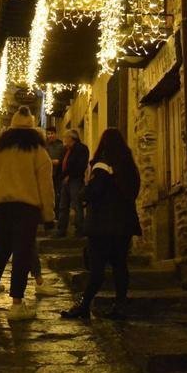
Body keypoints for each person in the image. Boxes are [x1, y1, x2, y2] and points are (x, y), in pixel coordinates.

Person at [0, 107, 55, 320]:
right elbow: (46, 185)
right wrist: (49, 215)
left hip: (3, 208)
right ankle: (16, 304)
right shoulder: (38, 150)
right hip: (27, 210)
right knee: (22, 255)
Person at [61, 128, 141, 321]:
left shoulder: (102, 165)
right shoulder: (128, 165)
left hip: (102, 225)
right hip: (124, 225)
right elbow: (134, 189)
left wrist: (83, 193)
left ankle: (84, 305)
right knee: (120, 265)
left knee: (96, 268)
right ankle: (120, 305)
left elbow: (92, 192)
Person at [56, 129, 90, 238]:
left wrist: (69, 175)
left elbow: (80, 165)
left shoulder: (81, 149)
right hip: (65, 181)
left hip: (75, 180)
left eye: (66, 137)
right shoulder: (66, 150)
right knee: (63, 206)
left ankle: (79, 230)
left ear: (71, 138)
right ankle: (61, 230)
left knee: (76, 205)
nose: (64, 140)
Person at [45, 126, 65, 225]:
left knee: (58, 195)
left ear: (55, 134)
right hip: (47, 174)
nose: (50, 136)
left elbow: (61, 160)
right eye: (48, 134)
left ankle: (57, 215)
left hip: (58, 174)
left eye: (52, 133)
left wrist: (52, 161)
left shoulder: (61, 145)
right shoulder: (44, 145)